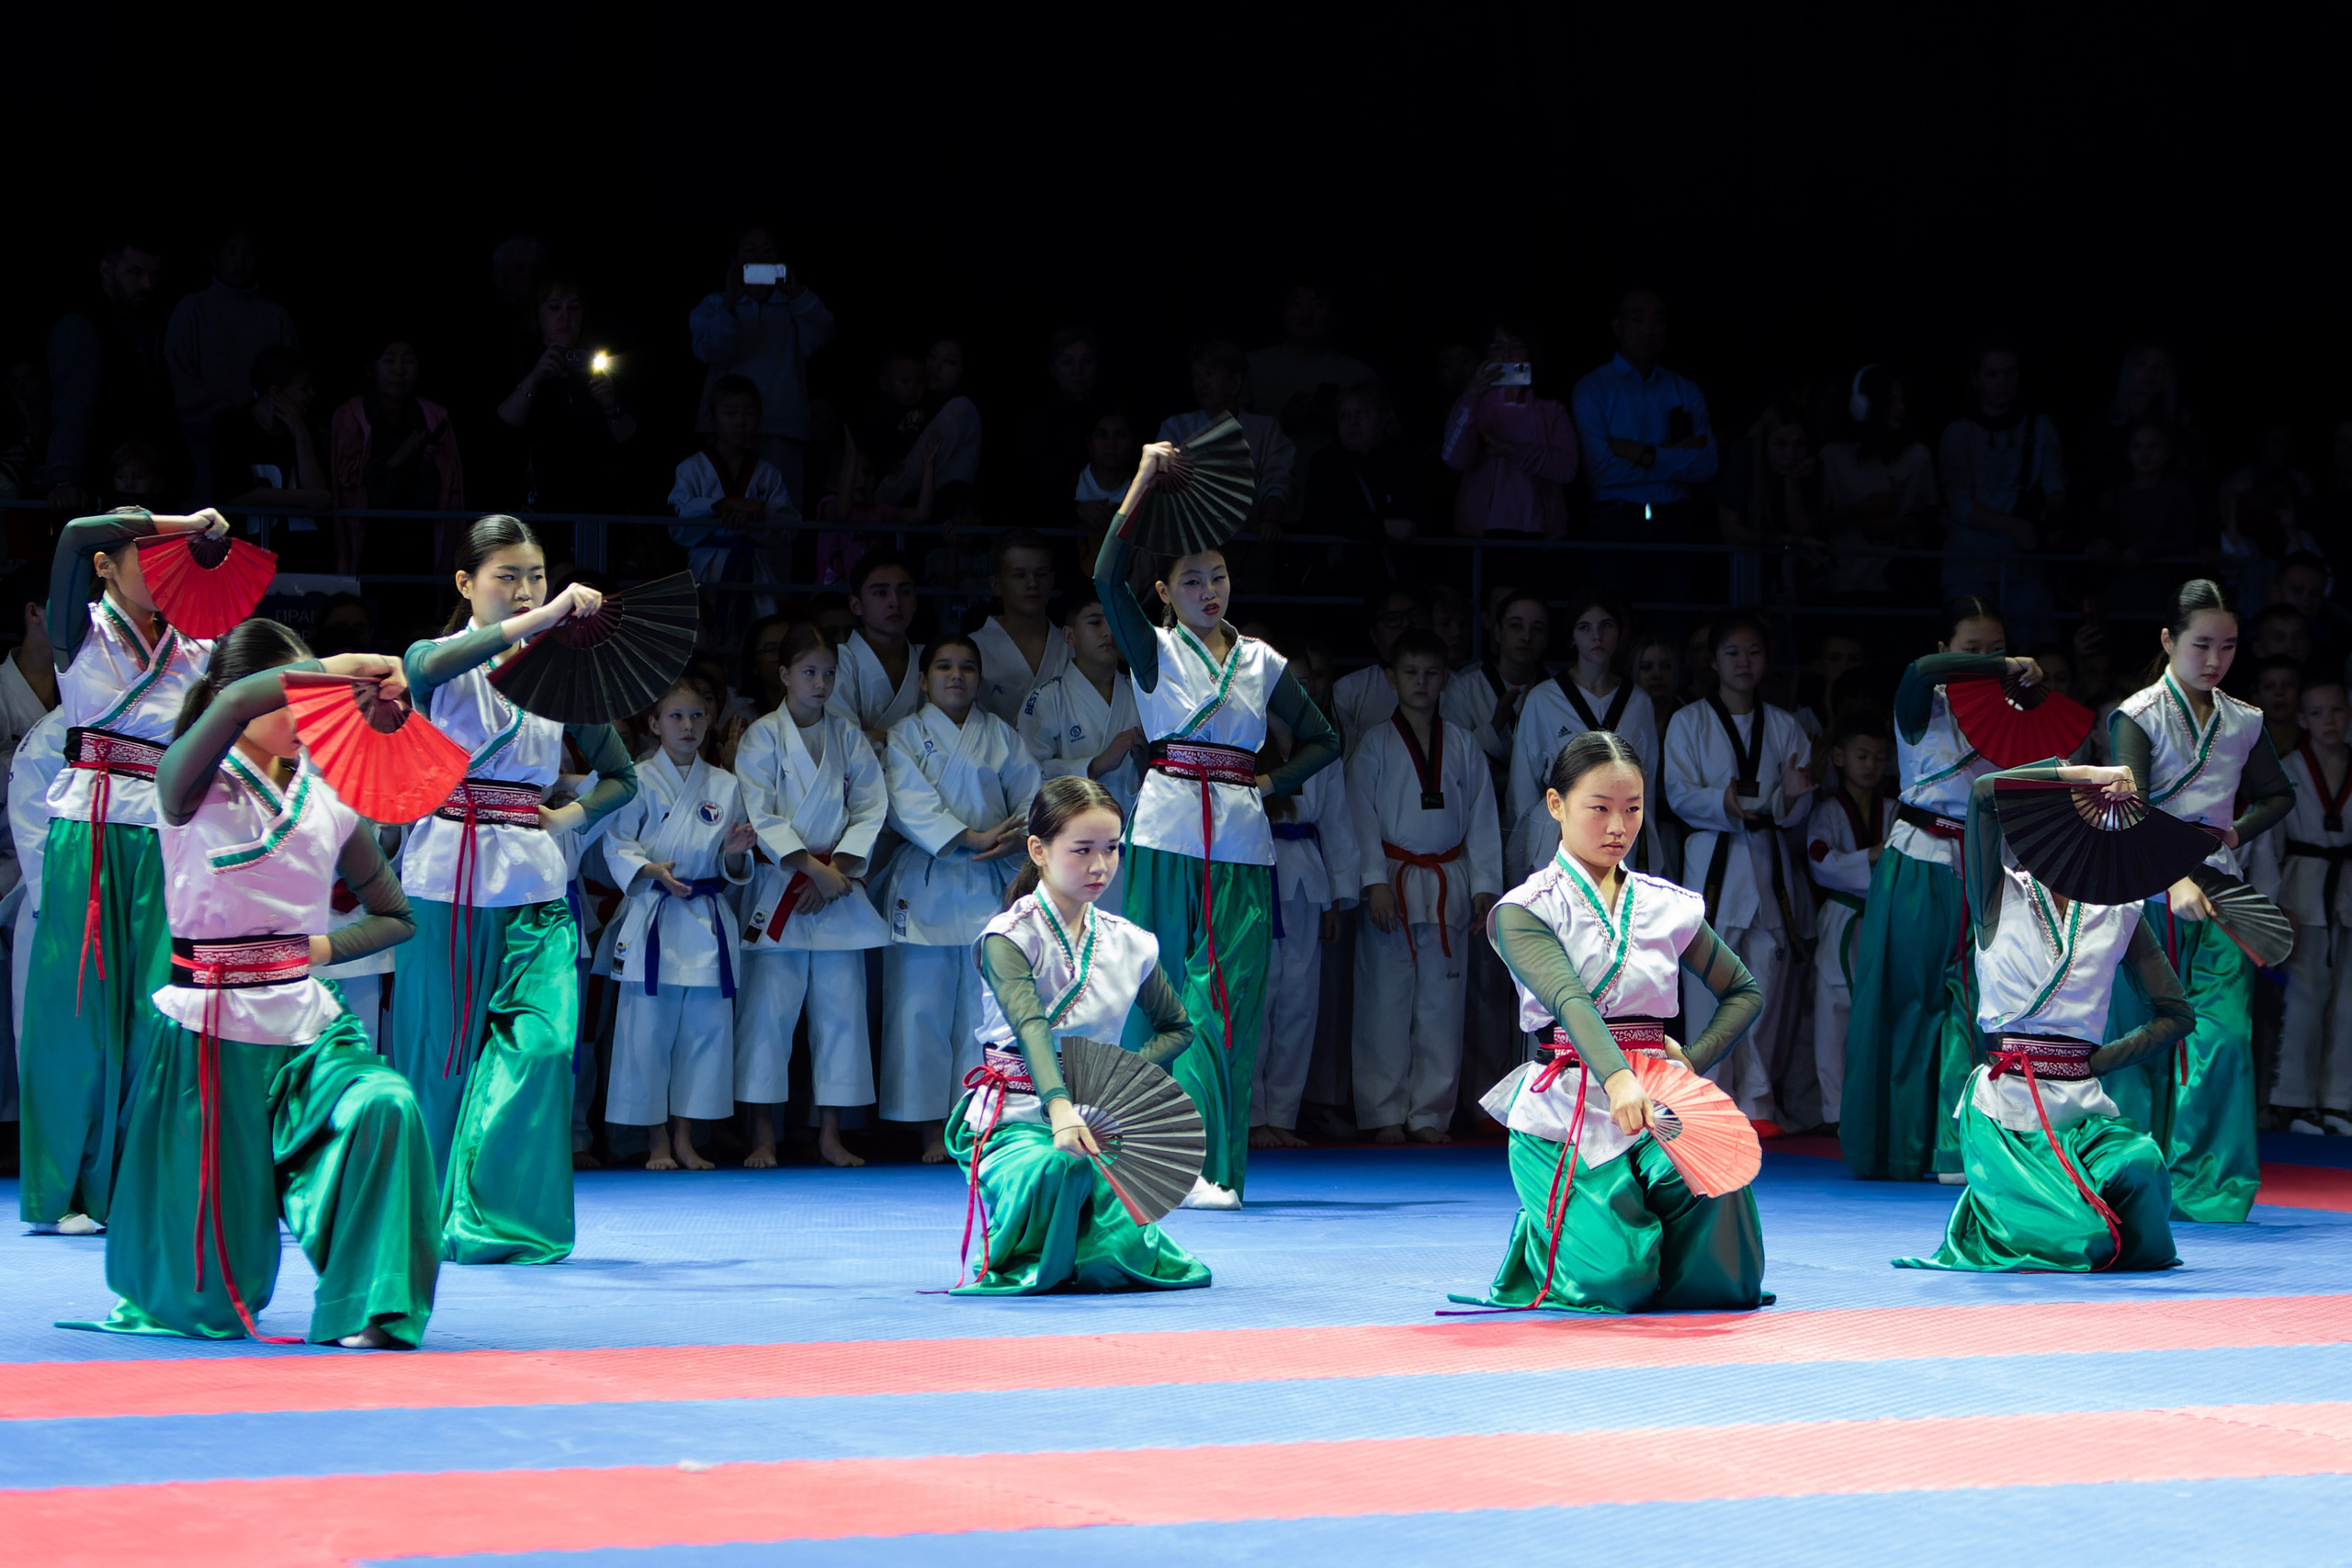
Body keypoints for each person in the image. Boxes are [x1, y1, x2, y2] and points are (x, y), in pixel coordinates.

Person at [68, 620, 436, 1345]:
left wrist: (318, 945)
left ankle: (371, 1306)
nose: (304, 716)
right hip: (208, 1034)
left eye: (313, 703)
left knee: (386, 1104)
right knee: (203, 1299)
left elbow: (396, 916)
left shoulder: (326, 798)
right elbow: (236, 701)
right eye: (290, 699)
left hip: (307, 1027)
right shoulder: (186, 782)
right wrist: (348, 663)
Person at [1093, 443, 1341, 1203]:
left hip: (1240, 841)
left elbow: (1325, 739)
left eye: (1219, 576)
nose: (1209, 590)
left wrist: (1269, 780)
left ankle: (1212, 1167)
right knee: (1163, 996)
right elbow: (1105, 575)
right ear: (1163, 592)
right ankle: (1148, 1154)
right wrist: (1142, 479)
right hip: (1166, 834)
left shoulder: (1262, 660)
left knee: (1228, 1002)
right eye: (1192, 580)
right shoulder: (1154, 650)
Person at [388, 515, 639, 1264]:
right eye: (509, 576)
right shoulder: (434, 657)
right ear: (465, 584)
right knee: (441, 1052)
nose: (527, 588)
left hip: (533, 879)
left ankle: (504, 1216)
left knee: (542, 1045)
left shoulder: (565, 672)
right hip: (446, 873)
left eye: (537, 576)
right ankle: (427, 1213)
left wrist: (567, 814)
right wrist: (546, 617)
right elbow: (425, 666)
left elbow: (622, 776)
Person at [1453, 730, 1769, 1314]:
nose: (1618, 827)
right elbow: (1569, 998)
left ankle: (1627, 1239)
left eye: (1633, 809)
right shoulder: (1526, 909)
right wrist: (1618, 1077)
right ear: (1556, 805)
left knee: (1728, 1275)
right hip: (1565, 1106)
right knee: (1617, 1282)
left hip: (1657, 1095)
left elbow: (1743, 990)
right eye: (1599, 809)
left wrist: (1692, 1059)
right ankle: (1546, 1238)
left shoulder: (1667, 904)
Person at [17, 506, 226, 1235]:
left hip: (166, 834)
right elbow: (74, 533)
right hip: (90, 828)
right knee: (77, 1008)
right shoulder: (77, 630)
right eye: (149, 554)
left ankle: (134, 1183)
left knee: (157, 1009)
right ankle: (63, 1190)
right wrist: (182, 522)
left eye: (174, 558)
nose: (165, 569)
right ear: (106, 566)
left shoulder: (199, 645)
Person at [1895, 760, 2190, 1272]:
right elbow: (1982, 793)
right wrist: (2083, 774)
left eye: (2095, 821)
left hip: (2084, 1112)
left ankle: (2078, 1215)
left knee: (2141, 1163)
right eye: (2069, 817)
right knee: (2082, 1238)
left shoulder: (2121, 910)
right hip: (2005, 1112)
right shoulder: (1997, 892)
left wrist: (2097, 1062)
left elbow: (2176, 1015)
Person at [950, 776, 1210, 1294]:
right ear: (1038, 851)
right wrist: (1061, 1109)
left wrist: (1116, 1084)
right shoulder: (1009, 937)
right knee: (1059, 1169)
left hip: (1097, 1117)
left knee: (1110, 1260)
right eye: (1082, 849)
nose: (1100, 866)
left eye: (1111, 849)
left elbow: (1178, 1028)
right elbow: (1030, 1027)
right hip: (1015, 1118)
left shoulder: (1131, 942)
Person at [2103, 581, 2293, 1223]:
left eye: (2229, 646)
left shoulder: (2244, 719)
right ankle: (2130, 1183)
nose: (2215, 660)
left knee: (2226, 1037)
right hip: (2145, 890)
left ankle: (2207, 1187)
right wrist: (2172, 878)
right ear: (2168, 640)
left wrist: (2237, 831)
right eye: (2201, 644)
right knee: (2141, 1040)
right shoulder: (2137, 714)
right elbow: (2128, 807)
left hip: (2221, 891)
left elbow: (2278, 794)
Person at [1841, 598, 2023, 1182]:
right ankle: (1899, 1146)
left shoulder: (2012, 711)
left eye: (1997, 649)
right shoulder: (1922, 700)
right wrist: (2003, 667)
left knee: (1973, 1007)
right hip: (1920, 862)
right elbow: (1920, 670)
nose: (1987, 661)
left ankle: (1954, 1146)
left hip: (1984, 862)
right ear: (1946, 650)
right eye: (1972, 650)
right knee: (1910, 1004)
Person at [876, 634, 1041, 1163]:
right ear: (923, 680)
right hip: (926, 881)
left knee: (981, 1012)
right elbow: (906, 802)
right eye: (944, 666)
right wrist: (971, 836)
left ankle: (976, 1123)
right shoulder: (905, 736)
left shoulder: (1001, 736)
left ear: (979, 679)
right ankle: (929, 1128)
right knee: (918, 1010)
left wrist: (1017, 837)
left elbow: (1031, 797)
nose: (956, 676)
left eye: (967, 667)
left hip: (988, 882)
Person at [734, 625, 891, 1169]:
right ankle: (762, 1136)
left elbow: (871, 808)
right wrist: (811, 870)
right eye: (809, 672)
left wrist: (835, 872)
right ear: (784, 675)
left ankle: (830, 1134)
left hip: (837, 891)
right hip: (781, 886)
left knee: (842, 1018)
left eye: (828, 673)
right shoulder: (761, 737)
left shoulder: (849, 737)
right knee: (766, 1018)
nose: (820, 683)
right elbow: (759, 813)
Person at [1347, 630, 1503, 1144]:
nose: (1421, 682)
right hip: (1393, 883)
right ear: (1391, 678)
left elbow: (1482, 817)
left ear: (1446, 679)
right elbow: (1361, 818)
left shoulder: (1462, 743)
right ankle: (1384, 1113)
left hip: (1447, 883)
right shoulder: (1374, 744)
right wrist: (1374, 881)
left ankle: (1430, 1114)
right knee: (1383, 1003)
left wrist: (1484, 884)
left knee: (1442, 1006)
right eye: (1411, 673)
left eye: (1431, 673)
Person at [1664, 614, 1815, 1129]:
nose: (1744, 662)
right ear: (1712, 660)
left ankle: (1758, 1103)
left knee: (1765, 991)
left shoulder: (1785, 725)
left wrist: (1790, 799)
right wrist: (1720, 802)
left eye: (1753, 652)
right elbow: (1677, 793)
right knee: (1706, 993)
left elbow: (1795, 808)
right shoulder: (1689, 722)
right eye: (1732, 652)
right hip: (1712, 860)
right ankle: (1705, 1103)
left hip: (1766, 864)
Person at [600, 679, 754, 1173]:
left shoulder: (726, 785)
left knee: (704, 1036)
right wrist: (650, 870)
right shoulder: (636, 779)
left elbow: (734, 866)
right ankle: (657, 1142)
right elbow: (617, 843)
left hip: (706, 918)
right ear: (653, 724)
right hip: (655, 917)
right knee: (646, 1036)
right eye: (676, 717)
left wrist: (735, 856)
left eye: (697, 716)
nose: (688, 726)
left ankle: (687, 1138)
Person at [1251, 634, 1361, 1149]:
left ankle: (1283, 1116)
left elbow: (1337, 823)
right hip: (1255, 875)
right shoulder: (1243, 736)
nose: (1301, 689)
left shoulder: (1323, 746)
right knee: (1258, 996)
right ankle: (1252, 1117)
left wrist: (1338, 895)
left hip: (1306, 880)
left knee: (1299, 1001)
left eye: (1307, 681)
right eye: (1288, 682)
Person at [1571, 289, 1718, 611]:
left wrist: (1643, 454)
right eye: (1637, 319)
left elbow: (1707, 463)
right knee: (1611, 620)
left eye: (1657, 319)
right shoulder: (1592, 389)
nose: (1648, 329)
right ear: (1617, 326)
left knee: (1672, 621)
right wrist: (1674, 456)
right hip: (1614, 521)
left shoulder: (1685, 390)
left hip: (1675, 522)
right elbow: (1600, 471)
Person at [1509, 593, 1659, 884]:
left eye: (1606, 626)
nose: (1596, 635)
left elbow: (1647, 784)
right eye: (1585, 627)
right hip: (1558, 831)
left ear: (1619, 634)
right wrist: (1520, 862)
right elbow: (1522, 787)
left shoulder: (1638, 701)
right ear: (1572, 636)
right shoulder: (1543, 698)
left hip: (1620, 829)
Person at [2261, 679, 2352, 1135]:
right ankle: (2293, 1101)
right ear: (2302, 720)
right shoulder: (2288, 770)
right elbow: (2268, 845)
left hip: (2347, 890)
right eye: (2317, 713)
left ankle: (2339, 1100)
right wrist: (2275, 905)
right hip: (2302, 892)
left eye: (2337, 710)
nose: (2329, 721)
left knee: (2348, 1003)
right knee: (2304, 1000)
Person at [688, 228, 835, 507]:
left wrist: (798, 294)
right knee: (722, 506)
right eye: (750, 250)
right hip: (724, 426)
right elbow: (709, 351)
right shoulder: (714, 305)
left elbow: (823, 335)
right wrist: (730, 305)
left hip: (782, 427)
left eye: (767, 251)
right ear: (734, 259)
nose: (759, 257)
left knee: (780, 510)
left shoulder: (794, 306)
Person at [1018, 596, 1144, 909]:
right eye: (1095, 622)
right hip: (1073, 849)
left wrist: (1145, 761)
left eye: (1114, 623)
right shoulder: (1047, 699)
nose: (1108, 632)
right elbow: (1028, 774)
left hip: (1134, 845)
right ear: (1069, 636)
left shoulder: (1142, 694)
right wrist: (1095, 765)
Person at [1938, 340, 2065, 648]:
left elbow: (2056, 487)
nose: (2002, 383)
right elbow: (1960, 504)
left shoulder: (2041, 427)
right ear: (1976, 379)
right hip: (1969, 562)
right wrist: (2014, 526)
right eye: (1992, 374)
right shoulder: (1958, 433)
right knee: (1972, 650)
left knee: (2036, 649)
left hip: (2024, 564)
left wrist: (2050, 517)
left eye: (2010, 373)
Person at [38, 236, 177, 511]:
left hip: (129, 488)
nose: (146, 284)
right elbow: (72, 406)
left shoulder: (141, 325)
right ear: (106, 269)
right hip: (98, 491)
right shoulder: (85, 326)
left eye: (153, 275)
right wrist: (64, 478)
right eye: (135, 272)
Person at [1805, 712, 1894, 1131]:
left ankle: (1875, 1110)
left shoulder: (1895, 810)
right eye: (1862, 755)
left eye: (1879, 756)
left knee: (1879, 1012)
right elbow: (1820, 860)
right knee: (1833, 1013)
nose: (1871, 764)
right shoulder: (1827, 811)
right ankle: (1835, 1112)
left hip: (1881, 918)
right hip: (1842, 917)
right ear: (1839, 758)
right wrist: (1872, 855)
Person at [164, 232, 300, 504]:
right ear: (215, 259)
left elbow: (295, 380)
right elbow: (178, 381)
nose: (240, 261)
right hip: (203, 445)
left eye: (247, 252)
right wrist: (227, 419)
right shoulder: (192, 310)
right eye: (232, 252)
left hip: (268, 445)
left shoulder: (276, 316)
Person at [496, 278, 638, 515]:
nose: (565, 316)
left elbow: (628, 437)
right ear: (537, 314)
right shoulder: (520, 359)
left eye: (574, 308)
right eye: (554, 308)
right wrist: (536, 376)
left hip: (595, 500)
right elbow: (506, 421)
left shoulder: (597, 363)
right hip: (537, 501)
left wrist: (610, 405)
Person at [669, 375, 790, 649]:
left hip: (752, 567)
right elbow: (677, 522)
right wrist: (722, 505)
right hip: (707, 566)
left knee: (757, 640)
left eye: (750, 413)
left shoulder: (767, 472)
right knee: (704, 635)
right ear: (713, 417)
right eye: (730, 413)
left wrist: (753, 516)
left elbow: (787, 525)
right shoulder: (692, 468)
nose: (740, 422)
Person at [329, 337, 465, 577]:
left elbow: (448, 485)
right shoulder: (351, 415)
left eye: (408, 361)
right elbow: (348, 485)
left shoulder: (434, 416)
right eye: (389, 361)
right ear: (370, 369)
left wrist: (426, 466)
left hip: (420, 539)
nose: (399, 370)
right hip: (368, 540)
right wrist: (396, 460)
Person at [1442, 322, 1578, 541]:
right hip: (1479, 534)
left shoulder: (1551, 411)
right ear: (1486, 354)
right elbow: (1454, 459)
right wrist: (1471, 395)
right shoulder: (1472, 405)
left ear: (1530, 352)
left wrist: (1510, 449)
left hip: (1538, 532)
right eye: (1497, 347)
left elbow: (1566, 469)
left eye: (1515, 346)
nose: (1505, 354)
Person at [1817, 366, 1937, 601]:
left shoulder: (1918, 455)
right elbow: (1815, 521)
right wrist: (1862, 511)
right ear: (1862, 404)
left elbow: (1931, 516)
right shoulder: (1831, 456)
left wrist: (1896, 525)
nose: (1900, 408)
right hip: (1845, 581)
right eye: (1890, 400)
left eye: (1902, 400)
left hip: (1900, 583)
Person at [1158, 340, 1295, 535]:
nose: (1201, 384)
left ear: (1235, 382)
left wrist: (1270, 521)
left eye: (1210, 374)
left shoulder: (1265, 430)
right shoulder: (1175, 428)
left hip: (1250, 540)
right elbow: (1162, 484)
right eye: (1195, 376)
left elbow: (1277, 481)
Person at [210, 345, 331, 564]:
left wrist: (300, 432)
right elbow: (237, 495)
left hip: (302, 556)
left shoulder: (306, 428)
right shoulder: (232, 426)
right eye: (303, 388)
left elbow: (321, 495)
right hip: (246, 555)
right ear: (276, 393)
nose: (311, 393)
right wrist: (308, 498)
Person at [1302, 381, 1426, 590]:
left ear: (1382, 417)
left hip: (1397, 577)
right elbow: (1319, 517)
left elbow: (1415, 514)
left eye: (1362, 414)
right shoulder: (1325, 463)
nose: (1352, 422)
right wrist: (1382, 528)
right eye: (1344, 416)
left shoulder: (1405, 460)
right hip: (1340, 580)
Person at [2086, 422, 2201, 621]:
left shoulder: (2179, 494)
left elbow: (2187, 540)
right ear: (2128, 453)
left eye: (2152, 446)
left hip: (2165, 590)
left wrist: (2148, 550)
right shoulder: (2113, 496)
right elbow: (2099, 535)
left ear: (2166, 453)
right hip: (2120, 591)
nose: (2144, 453)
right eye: (2137, 446)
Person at [1444, 589, 1551, 798]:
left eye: (1537, 629)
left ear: (1547, 637)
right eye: (1515, 626)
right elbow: (1451, 760)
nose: (1526, 637)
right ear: (1497, 632)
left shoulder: (1558, 689)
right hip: (1480, 804)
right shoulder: (1464, 688)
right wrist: (1494, 727)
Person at [1713, 401, 1822, 605]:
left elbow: (1801, 528)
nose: (1790, 454)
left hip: (1788, 577)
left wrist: (1792, 482)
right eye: (1780, 445)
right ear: (1764, 443)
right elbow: (1733, 532)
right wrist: (1787, 540)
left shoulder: (1811, 467)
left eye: (1799, 444)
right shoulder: (1740, 459)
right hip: (1735, 570)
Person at [970, 528, 1072, 728]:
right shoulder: (974, 648)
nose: (1032, 583)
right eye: (1019, 575)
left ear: (1052, 580)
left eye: (1041, 574)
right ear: (996, 584)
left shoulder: (1071, 645)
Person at [828, 551, 925, 751]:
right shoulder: (837, 661)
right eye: (881, 593)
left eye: (905, 592)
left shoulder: (929, 658)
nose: (895, 602)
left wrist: (875, 735)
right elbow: (843, 740)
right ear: (856, 605)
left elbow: (945, 734)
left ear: (915, 602)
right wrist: (914, 741)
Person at [876, 338, 981, 518]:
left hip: (941, 522)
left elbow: (913, 470)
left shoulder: (960, 409)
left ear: (964, 370)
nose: (936, 367)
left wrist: (877, 504)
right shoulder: (914, 410)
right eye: (932, 356)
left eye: (950, 362)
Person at [1019, 325, 1108, 520]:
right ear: (1053, 368)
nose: (1078, 370)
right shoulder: (1036, 421)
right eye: (1068, 362)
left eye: (1086, 361)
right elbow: (1031, 484)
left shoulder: (1111, 416)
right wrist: (1074, 509)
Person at [1329, 586, 1425, 752]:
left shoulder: (1451, 684)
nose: (1406, 624)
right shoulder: (1348, 689)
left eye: (1413, 615)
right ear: (1374, 634)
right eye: (1393, 619)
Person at [1073, 411, 1139, 538]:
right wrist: (1077, 510)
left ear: (1135, 444)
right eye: (1102, 436)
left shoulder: (1149, 489)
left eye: (1121, 436)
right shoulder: (1067, 484)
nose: (1111, 444)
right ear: (1089, 443)